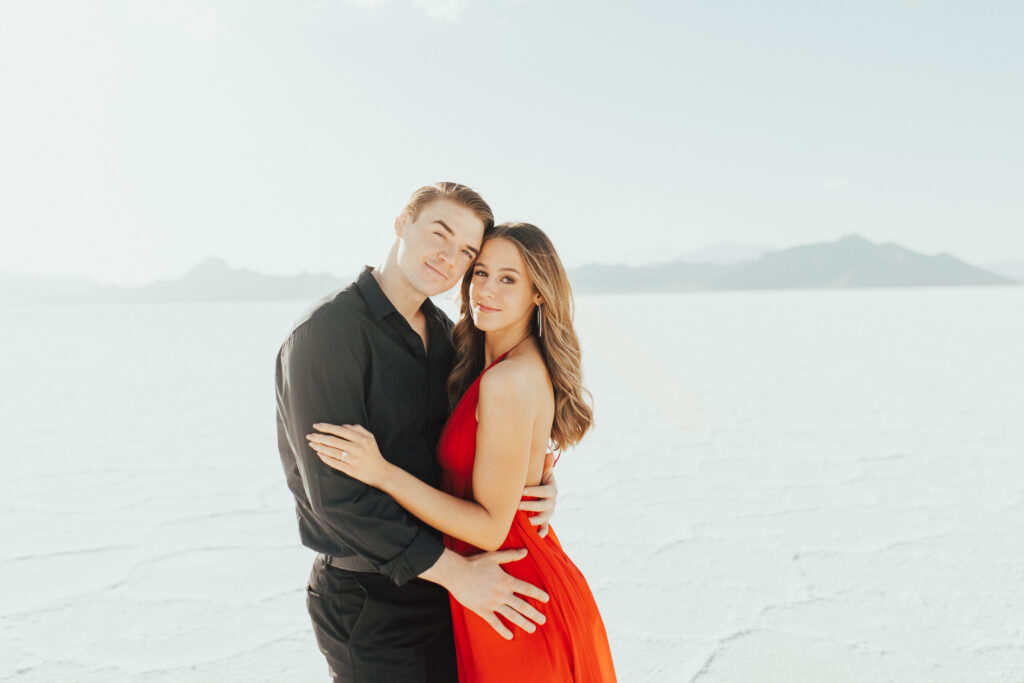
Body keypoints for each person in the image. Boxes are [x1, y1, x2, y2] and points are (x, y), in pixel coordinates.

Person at [275, 184, 560, 683]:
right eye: (439, 233)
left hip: (451, 591)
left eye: (467, 251)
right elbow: (338, 498)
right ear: (402, 224)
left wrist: (535, 483)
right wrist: (457, 575)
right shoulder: (328, 335)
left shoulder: (448, 336)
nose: (450, 258)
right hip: (370, 601)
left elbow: (477, 444)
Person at [308, 222, 617, 682]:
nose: (486, 291)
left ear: (538, 293)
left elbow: (491, 528)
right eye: (480, 273)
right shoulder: (490, 361)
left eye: (509, 279)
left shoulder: (506, 381)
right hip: (497, 587)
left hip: (510, 596)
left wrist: (382, 472)